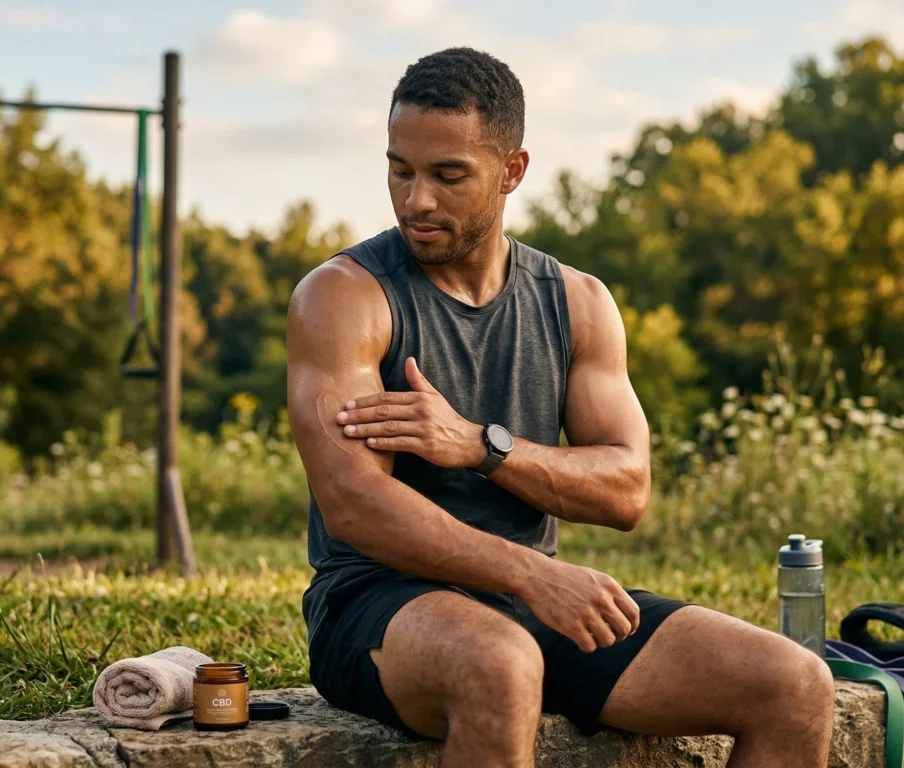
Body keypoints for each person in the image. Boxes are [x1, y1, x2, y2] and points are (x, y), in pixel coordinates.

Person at [285, 47, 834, 768]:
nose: (417, 199)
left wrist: (485, 445)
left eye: (448, 175)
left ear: (512, 171)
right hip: (376, 606)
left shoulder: (577, 303)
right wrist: (532, 573)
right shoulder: (344, 296)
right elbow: (355, 505)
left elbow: (627, 488)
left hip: (528, 607)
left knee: (794, 683)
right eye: (400, 170)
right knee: (502, 666)